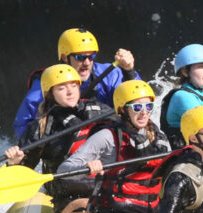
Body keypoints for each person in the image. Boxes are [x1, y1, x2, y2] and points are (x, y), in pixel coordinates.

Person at [55, 80, 170, 213]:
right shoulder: (107, 137)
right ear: (123, 110)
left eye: (148, 106)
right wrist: (87, 168)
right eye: (137, 107)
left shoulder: (158, 138)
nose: (144, 112)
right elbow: (64, 169)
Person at [5, 64, 117, 213]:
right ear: (50, 94)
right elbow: (20, 178)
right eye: (61, 88)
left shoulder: (100, 111)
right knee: (98, 210)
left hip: (106, 187)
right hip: (69, 196)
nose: (70, 91)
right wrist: (14, 163)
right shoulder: (42, 127)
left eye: (74, 85)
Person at [13, 28, 141, 138]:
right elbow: (22, 125)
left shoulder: (110, 74)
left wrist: (129, 71)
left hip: (106, 139)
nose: (86, 63)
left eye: (91, 57)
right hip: (67, 144)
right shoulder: (47, 83)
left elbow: (140, 101)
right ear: (64, 57)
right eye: (80, 57)